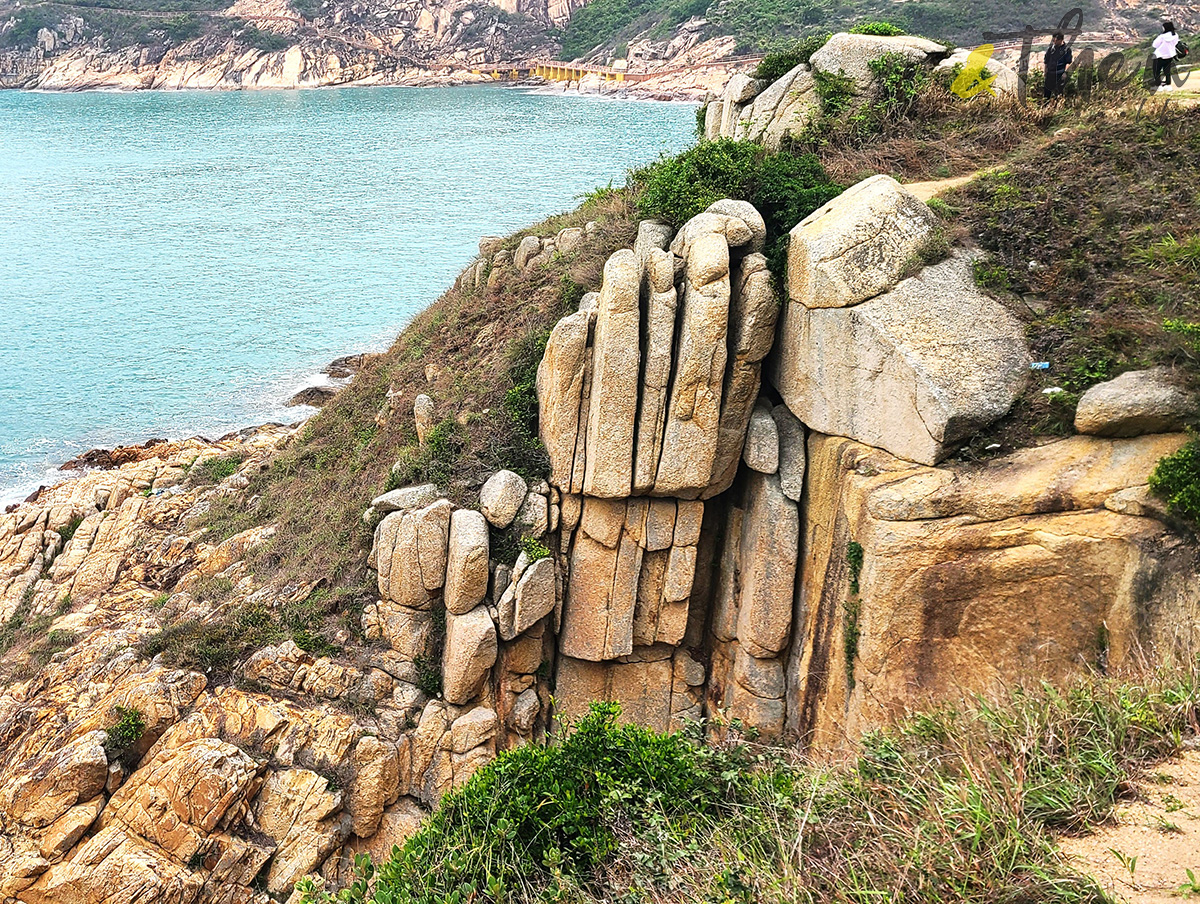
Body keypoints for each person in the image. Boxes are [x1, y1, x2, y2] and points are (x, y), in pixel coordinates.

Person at [1043, 32, 1072, 98]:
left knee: (1058, 93)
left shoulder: (1066, 50)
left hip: (1060, 74)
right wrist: (1045, 71)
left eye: (1055, 41)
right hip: (1050, 73)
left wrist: (1065, 73)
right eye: (1053, 40)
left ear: (1061, 40)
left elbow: (1068, 62)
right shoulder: (1050, 49)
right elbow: (1046, 61)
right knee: (1047, 93)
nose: (1054, 42)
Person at [1153, 21, 1180, 88]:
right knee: (1167, 69)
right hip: (1170, 55)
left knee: (1157, 70)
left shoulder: (1162, 36)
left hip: (1159, 55)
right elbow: (1175, 43)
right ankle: (1168, 82)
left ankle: (1157, 83)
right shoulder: (1175, 35)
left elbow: (1155, 45)